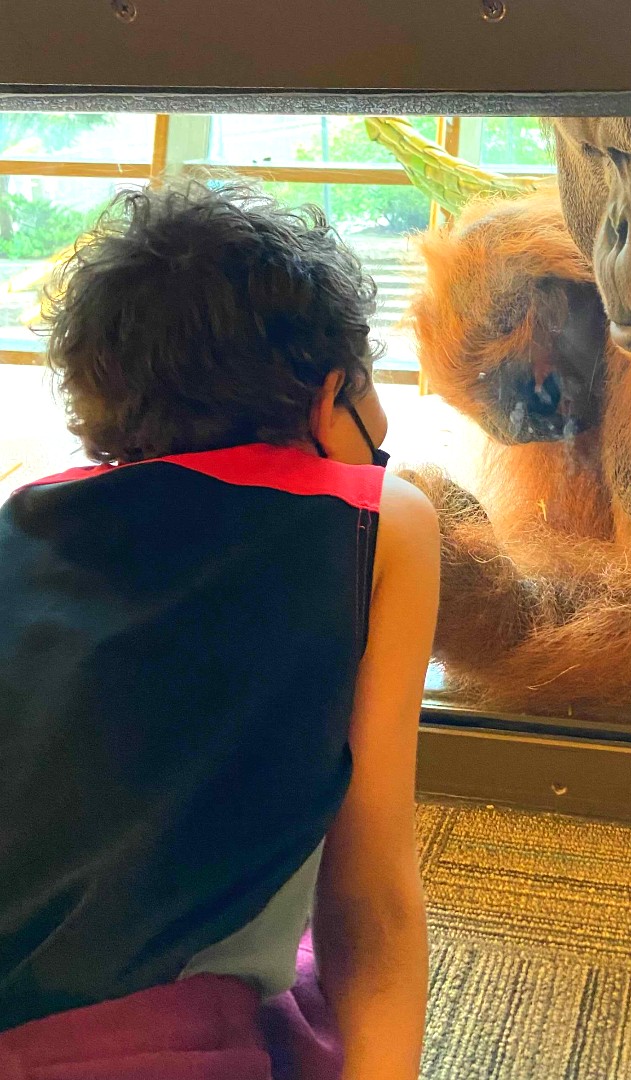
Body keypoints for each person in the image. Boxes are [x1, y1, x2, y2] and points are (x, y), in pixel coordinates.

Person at [0, 182, 437, 1080]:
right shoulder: (377, 517)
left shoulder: (25, 514)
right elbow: (372, 897)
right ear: (327, 401)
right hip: (137, 1040)